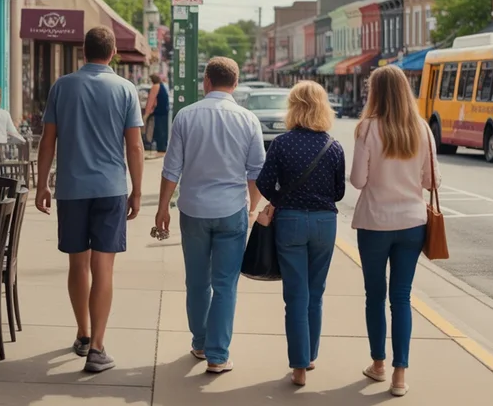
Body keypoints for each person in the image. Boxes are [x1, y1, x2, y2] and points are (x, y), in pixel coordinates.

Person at [35, 26, 145, 374]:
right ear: (112, 53)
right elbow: (135, 146)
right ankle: (97, 347)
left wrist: (41, 185)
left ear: (84, 52)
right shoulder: (126, 89)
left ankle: (82, 333)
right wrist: (137, 190)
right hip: (111, 187)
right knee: (104, 268)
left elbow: (47, 140)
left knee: (77, 264)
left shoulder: (62, 87)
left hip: (71, 188)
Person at [154, 56, 265, 374]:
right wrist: (252, 207)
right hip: (232, 210)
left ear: (206, 81)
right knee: (226, 284)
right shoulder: (248, 119)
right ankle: (218, 354)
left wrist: (163, 207)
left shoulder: (186, 117)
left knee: (197, 281)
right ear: (236, 83)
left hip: (193, 209)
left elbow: (171, 167)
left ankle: (200, 342)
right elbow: (256, 172)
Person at [350, 65, 440, 397]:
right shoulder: (422, 129)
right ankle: (400, 375)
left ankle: (378, 364)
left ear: (375, 92)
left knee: (375, 295)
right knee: (401, 297)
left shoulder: (367, 129)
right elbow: (432, 181)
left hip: (374, 222)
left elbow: (358, 181)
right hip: (412, 223)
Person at [255, 80, 345, 387]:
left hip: (290, 222)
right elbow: (339, 191)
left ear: (293, 107)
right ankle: (310, 355)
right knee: (315, 294)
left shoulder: (281, 144)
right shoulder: (333, 146)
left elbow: (264, 182)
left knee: (295, 295)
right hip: (324, 224)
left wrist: (281, 200)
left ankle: (299, 367)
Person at [144, 74, 170, 156]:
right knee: (163, 130)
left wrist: (146, 115)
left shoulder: (155, 87)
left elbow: (151, 101)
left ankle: (160, 149)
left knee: (158, 131)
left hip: (159, 113)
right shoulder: (162, 86)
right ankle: (163, 148)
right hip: (164, 112)